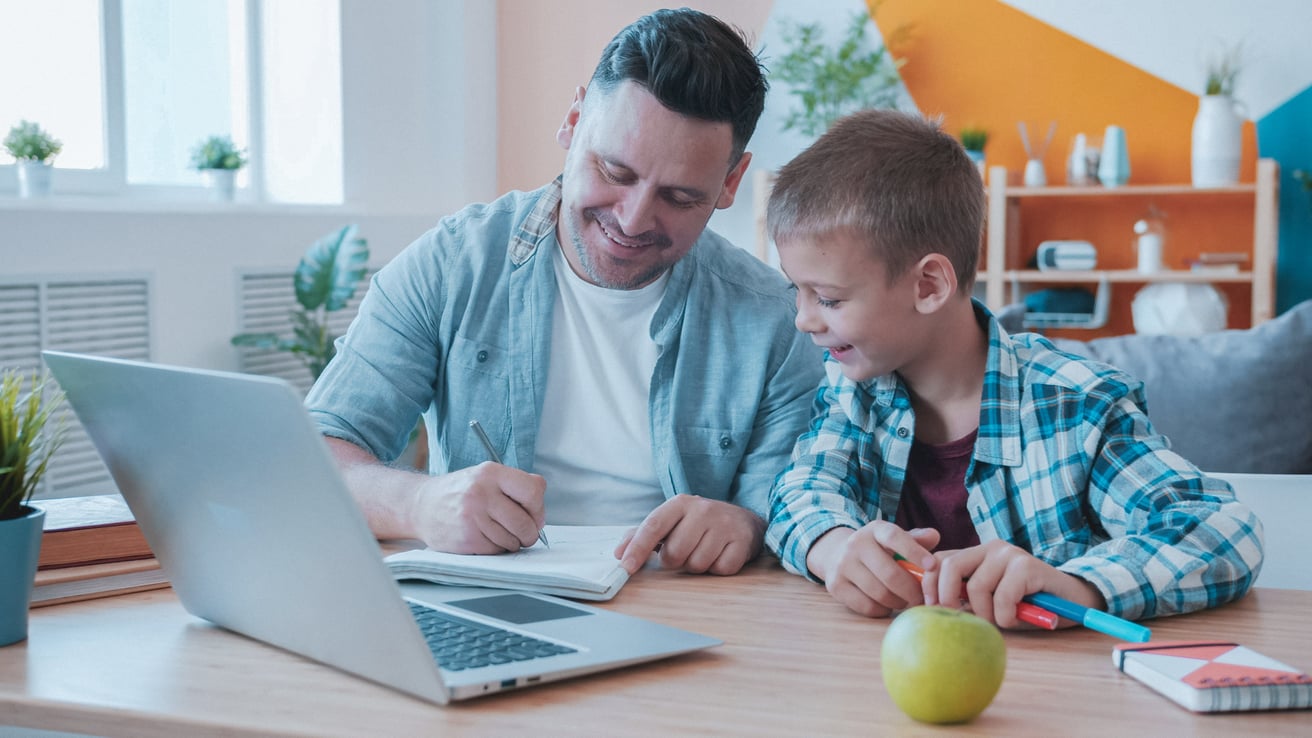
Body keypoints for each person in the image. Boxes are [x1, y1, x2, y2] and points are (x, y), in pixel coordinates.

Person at [305, 9, 822, 576]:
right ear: (574, 122)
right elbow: (311, 454)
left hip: (689, 616)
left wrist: (747, 525)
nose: (632, 219)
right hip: (488, 603)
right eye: (615, 172)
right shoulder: (453, 264)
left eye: (678, 197)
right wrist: (421, 503)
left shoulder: (777, 320)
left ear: (729, 183)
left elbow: (794, 507)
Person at [762, 109, 1264, 627]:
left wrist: (1078, 586)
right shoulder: (853, 391)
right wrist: (834, 547)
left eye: (827, 298)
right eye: (795, 290)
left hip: (1058, 694)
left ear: (929, 286)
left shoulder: (1077, 405)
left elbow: (1220, 529)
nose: (803, 320)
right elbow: (798, 492)